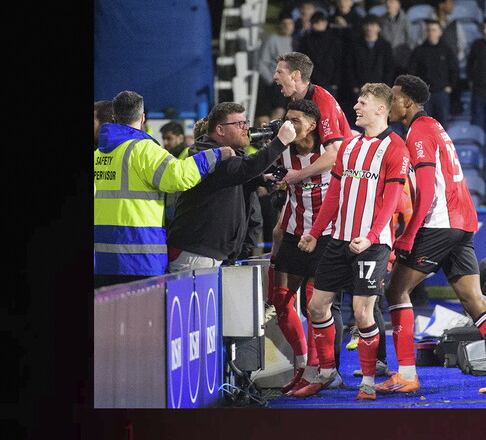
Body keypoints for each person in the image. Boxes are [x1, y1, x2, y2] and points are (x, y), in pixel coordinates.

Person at [377, 74, 486, 395]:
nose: (389, 104)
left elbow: (428, 190)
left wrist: (409, 234)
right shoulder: (433, 126)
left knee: (396, 291)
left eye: (394, 98)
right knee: (472, 299)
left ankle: (407, 374)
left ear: (407, 102)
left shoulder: (419, 132)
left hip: (439, 222)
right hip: (462, 222)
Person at [294, 83, 410, 401]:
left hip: (373, 244)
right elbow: (334, 195)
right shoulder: (348, 146)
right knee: (316, 306)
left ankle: (368, 381)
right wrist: (315, 232)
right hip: (338, 240)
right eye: (357, 100)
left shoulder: (396, 147)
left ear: (381, 109)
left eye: (363, 102)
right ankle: (328, 374)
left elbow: (392, 200)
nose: (356, 106)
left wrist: (370, 237)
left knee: (362, 313)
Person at [94, 91, 234, 288]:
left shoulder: (99, 154)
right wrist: (215, 156)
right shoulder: (144, 150)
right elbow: (179, 176)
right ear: (143, 118)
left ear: (114, 117)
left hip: (102, 259)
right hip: (139, 257)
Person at [267, 98, 347, 396]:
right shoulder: (282, 150)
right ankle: (302, 365)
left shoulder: (330, 150)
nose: (289, 125)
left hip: (325, 236)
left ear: (313, 125)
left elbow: (337, 158)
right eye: (287, 119)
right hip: (291, 233)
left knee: (315, 305)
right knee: (280, 300)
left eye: (296, 120)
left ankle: (319, 371)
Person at [165, 102, 295, 272]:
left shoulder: (229, 153)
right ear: (220, 130)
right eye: (239, 124)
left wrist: (261, 179)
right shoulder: (207, 154)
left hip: (211, 253)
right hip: (195, 254)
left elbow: (233, 175)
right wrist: (279, 142)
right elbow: (240, 168)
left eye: (246, 122)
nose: (246, 128)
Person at [407, 19, 459, 126]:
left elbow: (454, 69)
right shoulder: (419, 51)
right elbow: (412, 72)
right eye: (429, 30)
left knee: (441, 126)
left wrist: (451, 86)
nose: (431, 33)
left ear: (440, 32)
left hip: (441, 93)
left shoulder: (447, 50)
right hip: (425, 95)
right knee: (425, 125)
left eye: (434, 30)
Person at [345, 14, 395, 103]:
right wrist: (354, 86)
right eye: (367, 25)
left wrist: (385, 87)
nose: (369, 28)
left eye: (373, 25)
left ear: (379, 28)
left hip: (379, 90)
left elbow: (389, 68)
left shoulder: (385, 46)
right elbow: (350, 66)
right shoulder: (355, 45)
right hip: (360, 88)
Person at [256, 13, 296, 116]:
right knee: (278, 111)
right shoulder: (272, 40)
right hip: (277, 83)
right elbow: (262, 63)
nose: (287, 26)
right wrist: (271, 81)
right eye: (284, 24)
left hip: (293, 83)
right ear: (279, 25)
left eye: (290, 23)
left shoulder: (295, 41)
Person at [297, 9, 343, 94]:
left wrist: (335, 82)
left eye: (319, 22)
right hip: (311, 81)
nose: (316, 25)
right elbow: (302, 60)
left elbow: (338, 61)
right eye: (314, 22)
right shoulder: (306, 40)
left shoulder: (334, 40)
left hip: (329, 82)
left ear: (325, 23)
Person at [379, 0, 416, 73]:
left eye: (391, 2)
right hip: (385, 58)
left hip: (402, 59)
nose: (388, 4)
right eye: (387, 2)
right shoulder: (381, 20)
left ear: (398, 5)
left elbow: (409, 39)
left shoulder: (405, 20)